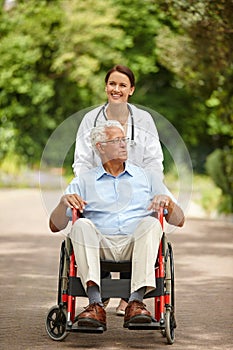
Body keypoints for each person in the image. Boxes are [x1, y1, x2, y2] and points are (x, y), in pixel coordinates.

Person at [50, 121, 184, 330]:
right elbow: (54, 225)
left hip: (135, 243)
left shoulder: (147, 177)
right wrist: (62, 202)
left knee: (151, 223)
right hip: (99, 245)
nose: (124, 145)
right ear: (100, 147)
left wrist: (169, 203)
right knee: (81, 226)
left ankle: (136, 302)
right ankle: (95, 304)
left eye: (125, 140)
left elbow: (179, 220)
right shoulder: (84, 180)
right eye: (117, 140)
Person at [72, 64, 164, 315]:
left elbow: (153, 160)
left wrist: (156, 190)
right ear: (105, 86)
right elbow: (82, 159)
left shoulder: (143, 120)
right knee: (95, 225)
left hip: (136, 187)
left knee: (142, 224)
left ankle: (131, 298)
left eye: (123, 85)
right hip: (99, 187)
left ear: (131, 90)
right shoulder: (90, 119)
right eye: (112, 84)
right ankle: (98, 295)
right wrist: (86, 188)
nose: (116, 89)